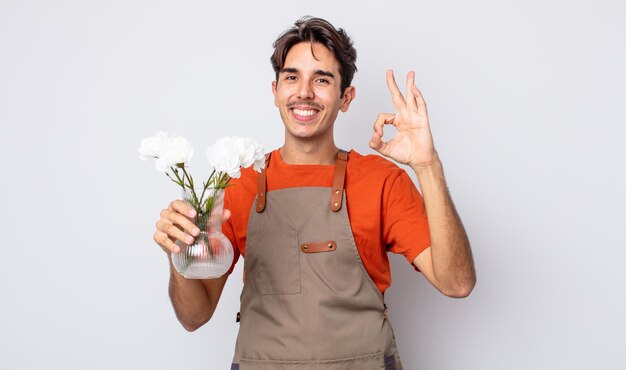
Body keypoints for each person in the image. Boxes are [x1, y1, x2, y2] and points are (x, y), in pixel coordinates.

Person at [153, 16, 476, 370]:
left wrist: (427, 165)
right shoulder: (236, 185)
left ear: (346, 97)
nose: (304, 91)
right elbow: (193, 316)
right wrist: (178, 253)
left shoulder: (382, 181)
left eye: (321, 79)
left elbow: (457, 283)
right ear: (275, 91)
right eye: (292, 77)